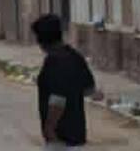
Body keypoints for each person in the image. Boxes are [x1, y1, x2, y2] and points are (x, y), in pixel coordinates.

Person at [32, 13, 96, 149]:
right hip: (77, 136)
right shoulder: (75, 57)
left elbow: (57, 100)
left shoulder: (54, 62)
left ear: (42, 40)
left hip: (59, 138)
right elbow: (89, 90)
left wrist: (49, 128)